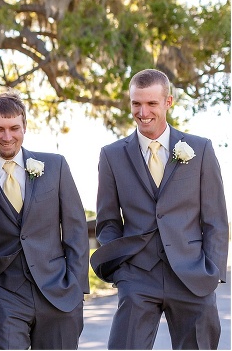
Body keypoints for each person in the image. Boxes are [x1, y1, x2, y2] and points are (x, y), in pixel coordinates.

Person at [91, 68, 228, 349]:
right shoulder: (111, 155)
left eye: (151, 103)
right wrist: (122, 270)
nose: (143, 112)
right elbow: (107, 221)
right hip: (137, 275)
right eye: (136, 103)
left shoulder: (200, 149)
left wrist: (211, 272)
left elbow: (215, 218)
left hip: (192, 275)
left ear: (168, 102)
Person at [0, 92, 89, 349]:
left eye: (15, 128)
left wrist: (77, 289)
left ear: (25, 127)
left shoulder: (55, 166)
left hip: (58, 291)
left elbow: (76, 230)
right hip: (4, 294)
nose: (7, 136)